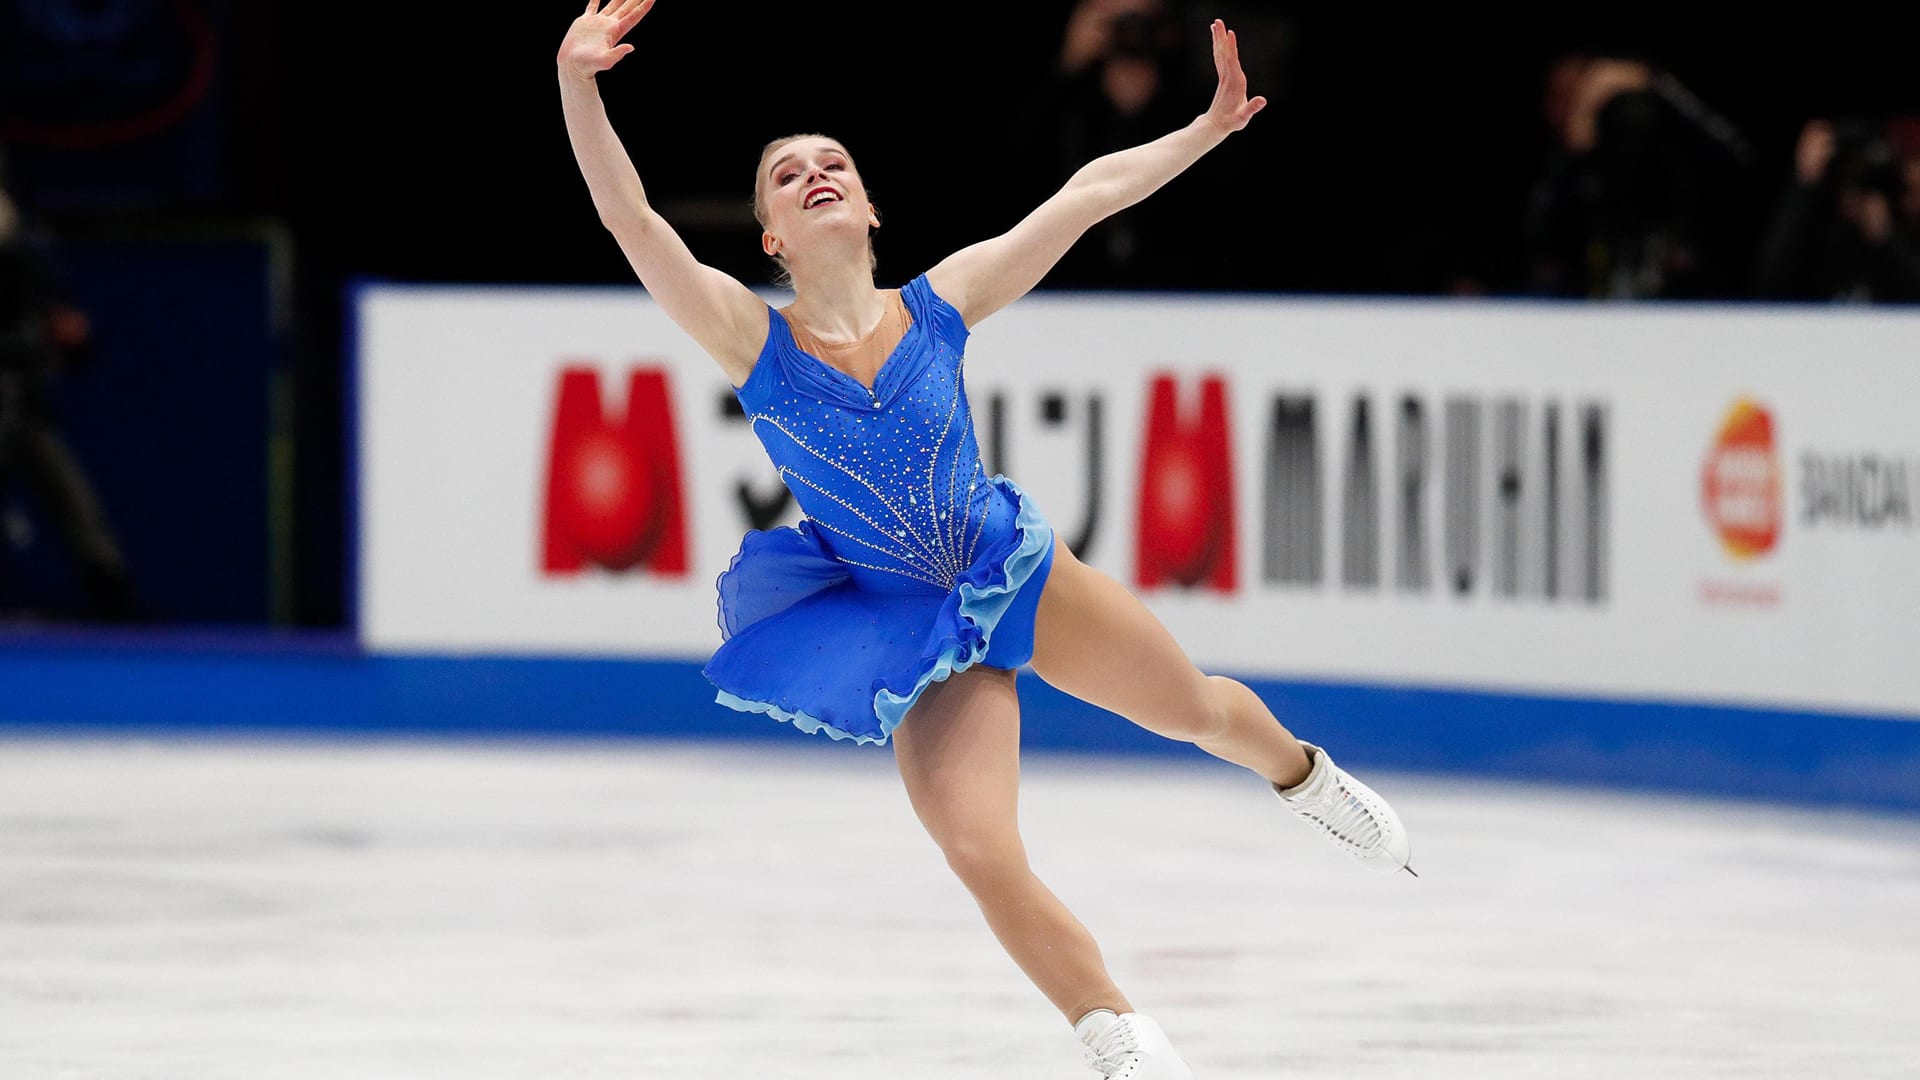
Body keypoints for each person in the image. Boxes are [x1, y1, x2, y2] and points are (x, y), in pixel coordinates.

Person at [557, 3, 1412, 1075]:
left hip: (1013, 571)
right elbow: (632, 220)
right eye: (787, 173)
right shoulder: (750, 339)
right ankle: (1117, 1033)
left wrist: (1205, 129)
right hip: (906, 628)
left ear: (869, 207)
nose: (815, 173)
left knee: (1193, 708)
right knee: (979, 849)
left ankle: (1304, 778)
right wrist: (578, 82)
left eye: (833, 163)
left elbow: (1086, 196)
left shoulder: (939, 305)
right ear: (770, 235)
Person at [0, 174, 137, 622]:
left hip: (28, 406)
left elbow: (66, 330)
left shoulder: (31, 252)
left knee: (74, 501)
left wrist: (67, 336)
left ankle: (113, 600)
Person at [1753, 117, 1920, 303]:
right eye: (1849, 178)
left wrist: (1887, 238)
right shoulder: (1816, 230)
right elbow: (1769, 285)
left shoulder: (1903, 227)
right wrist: (1805, 184)